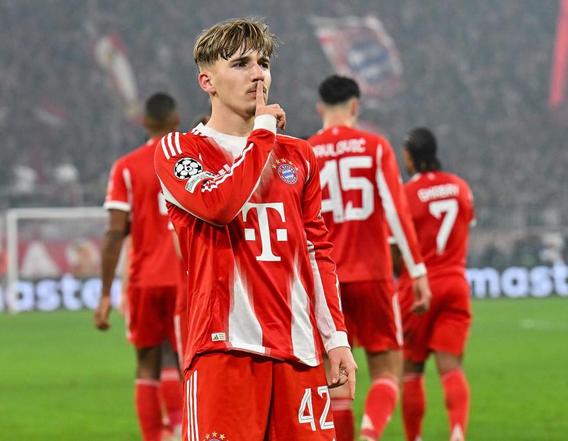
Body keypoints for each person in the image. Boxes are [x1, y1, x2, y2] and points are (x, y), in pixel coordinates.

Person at [153, 18, 356, 441]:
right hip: (224, 351)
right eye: (241, 63)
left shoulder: (299, 156)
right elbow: (219, 204)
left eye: (263, 63)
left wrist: (336, 337)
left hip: (300, 353)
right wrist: (262, 134)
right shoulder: (180, 150)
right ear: (207, 81)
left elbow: (317, 252)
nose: (258, 73)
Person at [308, 75, 431, 441]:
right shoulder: (375, 147)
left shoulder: (306, 152)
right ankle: (370, 433)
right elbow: (396, 211)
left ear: (320, 108)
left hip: (325, 281)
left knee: (336, 377)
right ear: (355, 106)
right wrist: (417, 271)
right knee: (388, 369)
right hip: (372, 275)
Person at [95, 93, 183, 441]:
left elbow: (115, 233)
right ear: (176, 121)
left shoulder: (127, 167)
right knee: (183, 361)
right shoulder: (188, 162)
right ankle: (181, 429)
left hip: (144, 280)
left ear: (144, 123)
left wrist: (105, 294)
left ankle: (155, 436)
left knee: (147, 364)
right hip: (185, 280)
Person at [395, 127, 475, 441]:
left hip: (418, 287)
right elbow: (465, 228)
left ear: (409, 157)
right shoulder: (460, 187)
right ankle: (457, 433)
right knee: (451, 366)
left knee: (412, 369)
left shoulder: (406, 194)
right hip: (455, 283)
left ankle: (414, 438)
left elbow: (396, 250)